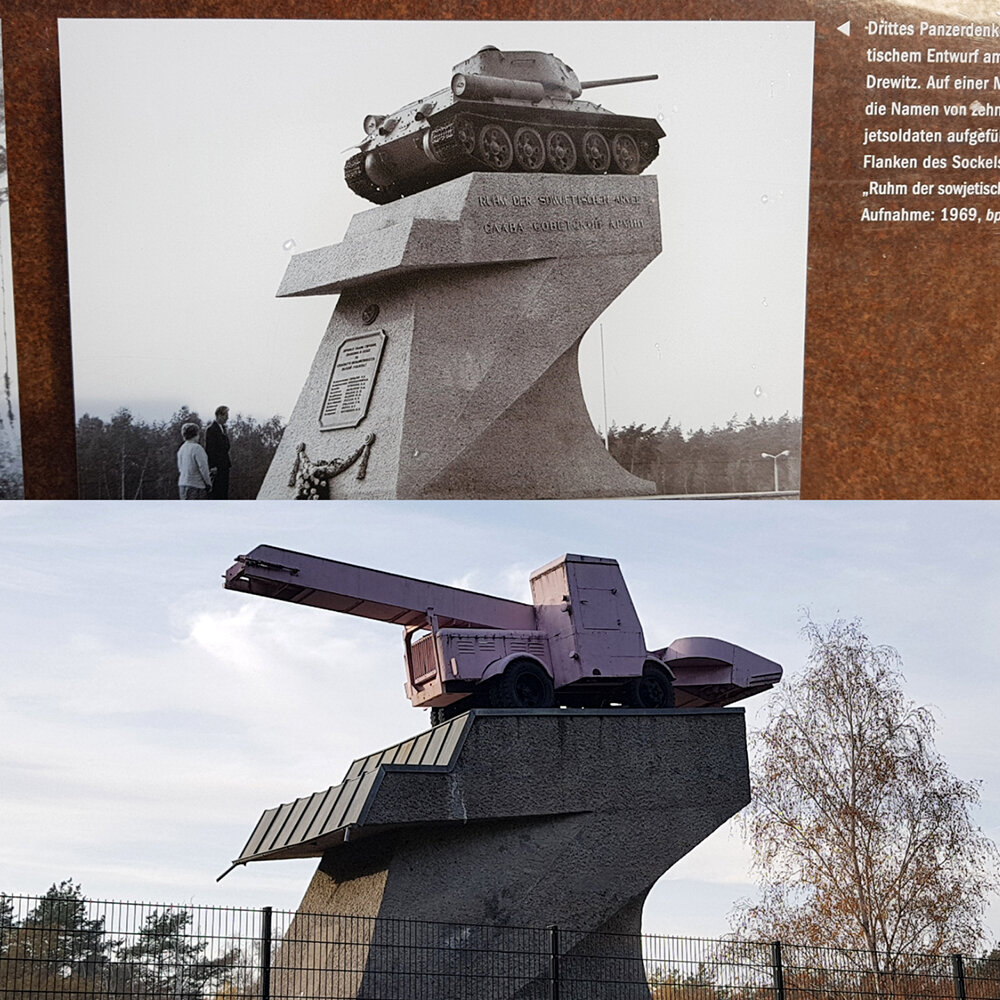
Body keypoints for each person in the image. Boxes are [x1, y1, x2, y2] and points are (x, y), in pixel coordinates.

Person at [176, 422, 213, 499]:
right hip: (196, 486)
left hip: (182, 484)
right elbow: (203, 468)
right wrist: (208, 483)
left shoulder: (181, 449)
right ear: (195, 434)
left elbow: (180, 468)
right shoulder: (197, 448)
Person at [205, 405, 232, 499]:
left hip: (224, 465)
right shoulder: (211, 430)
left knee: (224, 491)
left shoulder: (222, 429)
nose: (227, 418)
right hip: (217, 467)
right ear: (219, 415)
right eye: (226, 415)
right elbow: (210, 449)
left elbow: (227, 446)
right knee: (217, 491)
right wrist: (212, 466)